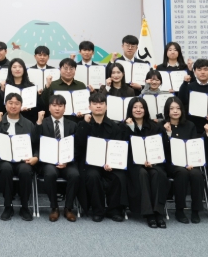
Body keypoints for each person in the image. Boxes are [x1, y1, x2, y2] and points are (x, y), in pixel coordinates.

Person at [75, 92, 128, 222]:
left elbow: (118, 147)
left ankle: (114, 210)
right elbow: (79, 145)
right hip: (90, 164)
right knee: (92, 176)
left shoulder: (115, 126)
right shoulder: (83, 124)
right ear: (90, 107)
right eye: (95, 103)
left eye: (101, 103)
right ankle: (97, 210)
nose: (98, 106)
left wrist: (111, 162)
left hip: (110, 163)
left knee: (118, 176)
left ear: (106, 106)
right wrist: (85, 124)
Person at [0, 93, 38, 221]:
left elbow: (36, 144)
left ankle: (24, 206)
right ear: (5, 105)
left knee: (25, 170)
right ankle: (8, 206)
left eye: (17, 103)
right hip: (2, 160)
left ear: (21, 106)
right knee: (6, 169)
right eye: (10, 103)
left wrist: (36, 157)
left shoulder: (28, 124)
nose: (13, 106)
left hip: (23, 160)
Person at [123, 97, 168, 228]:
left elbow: (162, 147)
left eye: (141, 107)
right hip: (134, 164)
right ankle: (149, 214)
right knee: (142, 173)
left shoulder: (155, 126)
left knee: (157, 174)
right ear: (130, 109)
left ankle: (158, 212)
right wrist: (131, 129)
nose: (138, 110)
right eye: (135, 107)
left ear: (146, 109)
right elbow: (125, 147)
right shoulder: (123, 126)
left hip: (153, 162)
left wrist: (153, 161)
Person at [158, 96, 204, 224]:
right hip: (171, 163)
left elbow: (194, 145)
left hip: (190, 161)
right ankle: (180, 209)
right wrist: (168, 134)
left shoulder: (190, 125)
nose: (175, 111)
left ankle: (196, 210)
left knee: (197, 174)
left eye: (178, 108)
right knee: (182, 173)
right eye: (172, 108)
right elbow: (162, 149)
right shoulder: (161, 125)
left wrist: (190, 162)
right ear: (167, 111)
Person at [36, 94, 81, 222]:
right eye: (54, 105)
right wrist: (38, 122)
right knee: (50, 174)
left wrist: (67, 160)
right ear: (49, 107)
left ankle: (68, 208)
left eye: (60, 106)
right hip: (48, 162)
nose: (57, 108)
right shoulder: (42, 123)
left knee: (75, 175)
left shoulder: (73, 125)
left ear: (64, 108)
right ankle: (54, 207)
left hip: (67, 161)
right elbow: (34, 141)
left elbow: (77, 147)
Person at [178, 59, 208, 134]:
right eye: (199, 70)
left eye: (205, 69)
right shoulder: (188, 87)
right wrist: (185, 83)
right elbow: (182, 103)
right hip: (193, 128)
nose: (202, 72)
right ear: (194, 72)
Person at [0, 58, 39, 123]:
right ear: (10, 69)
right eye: (14, 67)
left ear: (24, 69)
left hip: (26, 120)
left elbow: (37, 108)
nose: (17, 69)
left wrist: (29, 108)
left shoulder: (31, 86)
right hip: (8, 121)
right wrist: (2, 90)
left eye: (20, 67)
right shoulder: (5, 85)